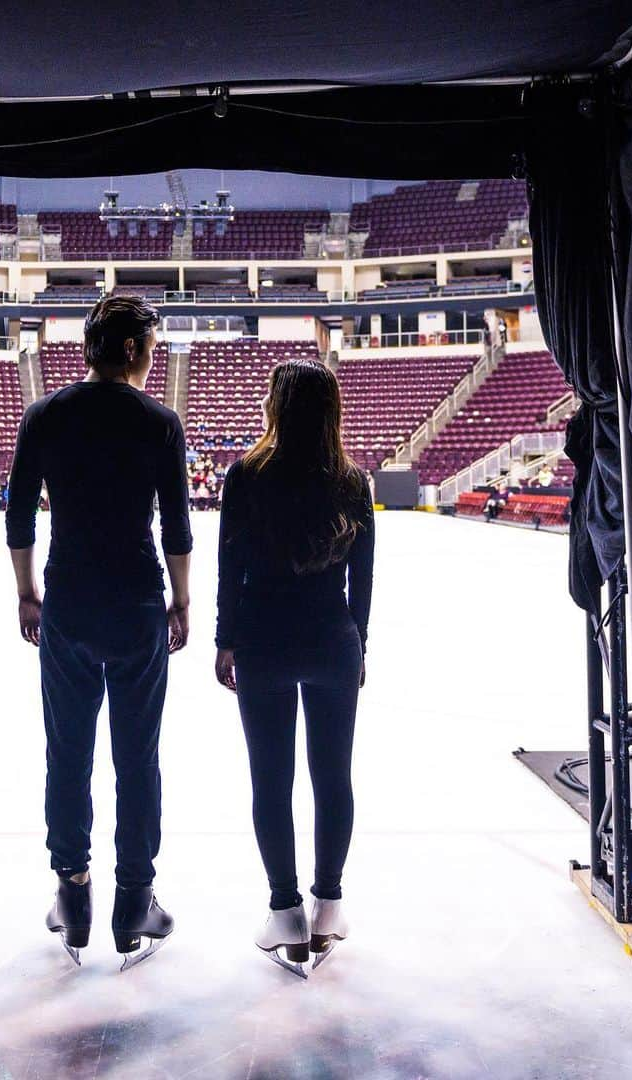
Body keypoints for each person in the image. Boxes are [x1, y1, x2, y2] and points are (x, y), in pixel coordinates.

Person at [6, 295, 192, 969]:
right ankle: (134, 899)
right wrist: (183, 602)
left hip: (70, 604)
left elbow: (20, 516)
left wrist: (28, 593)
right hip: (137, 603)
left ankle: (74, 892)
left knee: (68, 752)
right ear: (135, 350)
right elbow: (176, 526)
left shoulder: (45, 416)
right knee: (137, 757)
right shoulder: (159, 422)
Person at [214, 359, 374, 978]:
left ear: (275, 409)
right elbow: (364, 578)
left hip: (265, 641)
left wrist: (226, 640)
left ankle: (286, 911)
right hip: (333, 638)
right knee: (334, 776)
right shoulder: (352, 480)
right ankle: (327, 904)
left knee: (271, 780)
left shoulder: (246, 475)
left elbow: (232, 570)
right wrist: (359, 641)